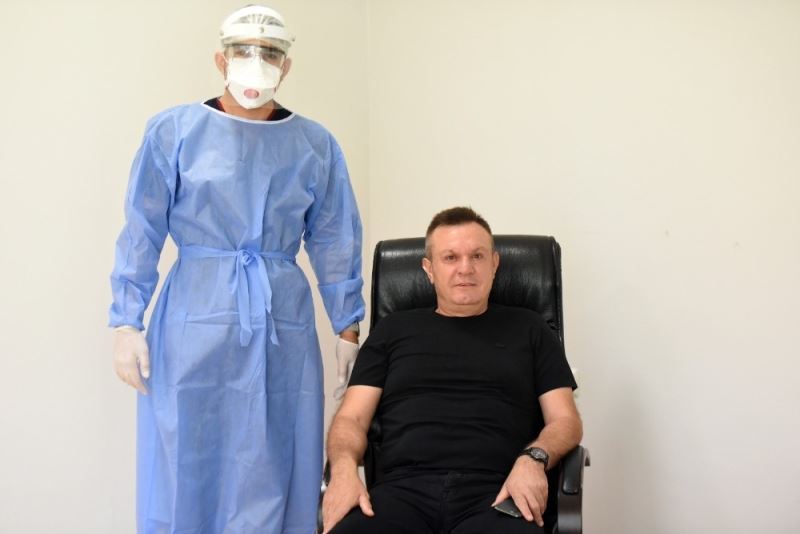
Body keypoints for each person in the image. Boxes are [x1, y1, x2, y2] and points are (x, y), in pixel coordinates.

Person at [109, 5, 364, 533]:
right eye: (244, 51)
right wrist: (126, 320)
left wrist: (348, 327)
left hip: (279, 322)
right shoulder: (174, 132)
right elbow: (142, 228)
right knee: (185, 452)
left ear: (286, 65)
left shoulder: (315, 145)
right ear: (220, 60)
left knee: (276, 451)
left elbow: (335, 238)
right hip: (193, 317)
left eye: (269, 53)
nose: (256, 62)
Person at [322, 207, 583, 534]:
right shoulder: (392, 331)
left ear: (494, 263)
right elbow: (351, 418)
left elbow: (565, 421)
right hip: (401, 492)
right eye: (450, 257)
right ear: (428, 269)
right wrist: (343, 471)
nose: (465, 268)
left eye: (477, 256)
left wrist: (534, 459)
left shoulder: (531, 329)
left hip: (499, 493)